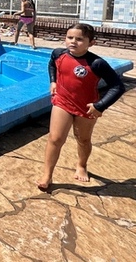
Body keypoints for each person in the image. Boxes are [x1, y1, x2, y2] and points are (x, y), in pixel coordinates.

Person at [36, 23, 125, 191]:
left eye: (79, 39)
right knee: (55, 139)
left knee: (83, 139)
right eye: (70, 38)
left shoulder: (97, 63)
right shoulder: (58, 54)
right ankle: (47, 174)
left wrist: (100, 105)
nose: (73, 42)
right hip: (62, 102)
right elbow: (52, 64)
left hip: (87, 107)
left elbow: (118, 86)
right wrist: (53, 81)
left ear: (91, 43)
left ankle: (82, 164)